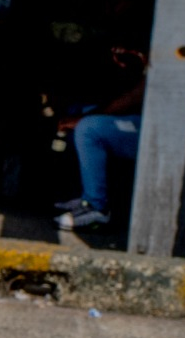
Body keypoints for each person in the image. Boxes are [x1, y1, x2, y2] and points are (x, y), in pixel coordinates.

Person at [54, 45, 147, 230]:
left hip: (155, 134)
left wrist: (84, 119)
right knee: (80, 113)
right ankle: (86, 197)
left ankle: (97, 209)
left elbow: (134, 97)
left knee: (89, 128)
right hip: (139, 121)